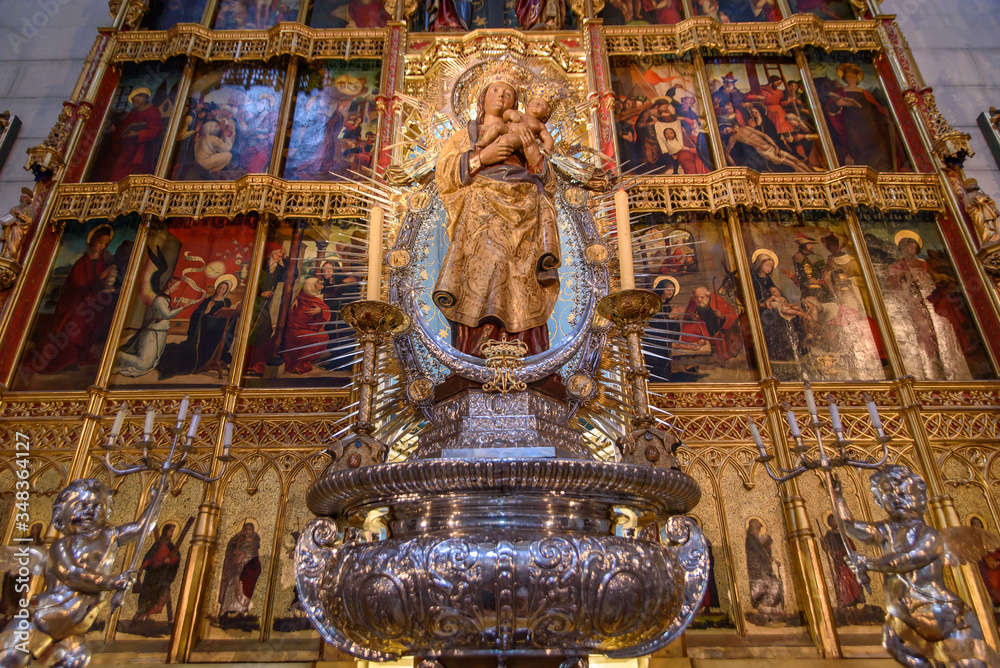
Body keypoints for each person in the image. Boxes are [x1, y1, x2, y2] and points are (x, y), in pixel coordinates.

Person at [432, 74, 560, 357]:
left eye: (508, 94)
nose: (501, 96)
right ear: (482, 98)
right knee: (486, 271)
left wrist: (532, 152)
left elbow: (549, 183)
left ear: (516, 104)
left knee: (522, 280)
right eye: (495, 90)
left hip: (525, 212)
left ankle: (527, 356)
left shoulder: (523, 128)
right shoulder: (466, 136)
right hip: (482, 214)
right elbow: (444, 175)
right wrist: (482, 157)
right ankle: (477, 355)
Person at [32, 225, 119, 374]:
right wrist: (102, 277)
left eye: (106, 244)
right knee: (75, 322)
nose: (102, 246)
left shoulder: (101, 261)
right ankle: (67, 360)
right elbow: (79, 284)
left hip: (91, 301)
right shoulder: (81, 263)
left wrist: (107, 277)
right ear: (92, 241)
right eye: (100, 242)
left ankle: (79, 355)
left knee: (97, 318)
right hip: (74, 302)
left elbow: (100, 283)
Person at [885, 230, 971, 380]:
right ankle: (930, 372)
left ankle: (953, 371)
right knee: (924, 334)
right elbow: (890, 283)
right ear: (902, 248)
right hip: (913, 302)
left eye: (914, 248)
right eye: (909, 247)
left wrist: (942, 278)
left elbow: (935, 276)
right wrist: (904, 277)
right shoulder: (897, 265)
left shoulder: (923, 263)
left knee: (943, 329)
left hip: (932, 298)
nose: (912, 250)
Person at [823, 63, 908, 172]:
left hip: (869, 123)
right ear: (844, 78)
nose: (850, 79)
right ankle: (862, 172)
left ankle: (882, 170)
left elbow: (877, 108)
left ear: (856, 78)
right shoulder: (840, 92)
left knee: (876, 145)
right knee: (857, 145)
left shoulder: (865, 93)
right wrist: (839, 104)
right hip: (852, 123)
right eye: (848, 77)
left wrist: (887, 117)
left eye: (852, 76)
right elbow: (829, 107)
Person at [114, 257, 187, 377]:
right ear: (170, 284)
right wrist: (183, 308)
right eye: (176, 286)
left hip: (160, 331)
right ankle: (118, 356)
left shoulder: (166, 298)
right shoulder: (159, 299)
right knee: (144, 365)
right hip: (152, 333)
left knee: (154, 361)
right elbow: (167, 315)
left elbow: (165, 313)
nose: (177, 289)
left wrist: (175, 307)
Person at [158, 275, 239, 380]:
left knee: (218, 338)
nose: (220, 290)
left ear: (226, 291)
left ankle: (210, 359)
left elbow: (227, 317)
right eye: (219, 287)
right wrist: (206, 311)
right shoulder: (209, 300)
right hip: (204, 330)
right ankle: (201, 363)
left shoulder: (226, 302)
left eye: (223, 289)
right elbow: (196, 315)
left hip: (218, 330)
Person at [750, 249, 807, 363]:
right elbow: (754, 298)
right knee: (775, 320)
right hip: (763, 308)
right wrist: (765, 304)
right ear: (759, 264)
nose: (769, 269)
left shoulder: (768, 279)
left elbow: (777, 292)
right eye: (766, 265)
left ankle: (797, 347)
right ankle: (778, 352)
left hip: (774, 305)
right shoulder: (754, 280)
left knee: (794, 318)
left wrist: (784, 302)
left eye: (771, 267)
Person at [245, 243, 288, 375]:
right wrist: (260, 293)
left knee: (263, 331)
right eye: (278, 255)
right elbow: (250, 283)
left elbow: (292, 275)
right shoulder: (260, 265)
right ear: (271, 254)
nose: (279, 258)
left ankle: (256, 363)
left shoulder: (278, 269)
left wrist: (286, 259)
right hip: (253, 302)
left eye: (281, 256)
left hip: (264, 304)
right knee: (257, 330)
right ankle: (250, 363)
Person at [109, 87, 165, 181]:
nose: (135, 99)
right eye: (134, 98)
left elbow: (156, 129)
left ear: (145, 98)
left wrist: (138, 134)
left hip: (142, 151)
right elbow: (122, 129)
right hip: (127, 149)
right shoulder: (132, 113)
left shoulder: (152, 111)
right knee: (117, 171)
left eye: (138, 96)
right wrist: (118, 132)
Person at [132, 523, 182, 623]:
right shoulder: (157, 544)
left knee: (160, 594)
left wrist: (170, 562)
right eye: (170, 530)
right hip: (152, 574)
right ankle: (141, 615)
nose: (171, 533)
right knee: (147, 594)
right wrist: (143, 566)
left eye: (172, 531)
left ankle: (149, 614)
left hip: (162, 575)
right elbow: (149, 557)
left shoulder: (171, 547)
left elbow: (176, 558)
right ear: (165, 531)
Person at [282, 277, 332, 374]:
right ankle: (300, 364)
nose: (320, 282)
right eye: (317, 282)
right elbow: (301, 320)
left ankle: (304, 362)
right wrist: (321, 311)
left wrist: (321, 311)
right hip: (295, 331)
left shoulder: (308, 298)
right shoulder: (304, 300)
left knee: (323, 335)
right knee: (322, 337)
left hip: (305, 329)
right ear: (311, 287)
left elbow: (323, 310)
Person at [678, 286, 740, 363]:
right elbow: (688, 316)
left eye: (702, 297)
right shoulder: (693, 300)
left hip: (719, 332)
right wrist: (693, 318)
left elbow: (732, 316)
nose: (698, 299)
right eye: (696, 297)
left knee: (724, 353)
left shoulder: (717, 299)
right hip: (702, 331)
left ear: (708, 296)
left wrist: (721, 316)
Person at [819, 514, 865, 610]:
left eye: (834, 520)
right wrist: (823, 542)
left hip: (846, 561)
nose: (833, 523)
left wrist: (842, 554)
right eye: (831, 521)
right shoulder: (829, 534)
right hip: (838, 563)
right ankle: (845, 604)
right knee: (842, 582)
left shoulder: (843, 533)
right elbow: (826, 548)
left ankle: (856, 603)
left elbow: (850, 546)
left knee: (852, 580)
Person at [218, 521, 261, 618]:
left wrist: (243, 557)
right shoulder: (238, 541)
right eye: (245, 529)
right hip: (236, 569)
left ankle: (241, 611)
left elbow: (253, 556)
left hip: (246, 570)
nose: (247, 532)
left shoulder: (254, 543)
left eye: (249, 530)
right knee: (230, 586)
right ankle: (227, 609)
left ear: (253, 531)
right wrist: (236, 552)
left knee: (242, 589)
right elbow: (231, 547)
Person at [745, 518, 783, 613]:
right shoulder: (750, 539)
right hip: (757, 568)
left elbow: (763, 552)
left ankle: (770, 606)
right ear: (753, 528)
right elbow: (759, 553)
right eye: (758, 528)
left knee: (772, 584)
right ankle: (761, 606)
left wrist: (771, 559)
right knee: (763, 586)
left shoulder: (755, 539)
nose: (758, 531)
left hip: (762, 567)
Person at [970, 516, 1000, 609]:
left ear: (981, 524)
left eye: (978, 523)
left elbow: (995, 547)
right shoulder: (973, 538)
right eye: (974, 523)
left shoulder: (988, 535)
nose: (976, 525)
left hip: (994, 560)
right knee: (990, 584)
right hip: (983, 564)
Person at [0, 188, 35, 262]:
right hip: (10, 229)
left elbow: (30, 220)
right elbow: (9, 218)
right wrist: (4, 223)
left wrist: (20, 214)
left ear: (28, 200)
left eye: (24, 197)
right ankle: (5, 256)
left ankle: (11, 257)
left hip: (19, 229)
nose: (22, 199)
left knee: (14, 246)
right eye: (21, 197)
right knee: (7, 244)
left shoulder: (30, 209)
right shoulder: (14, 208)